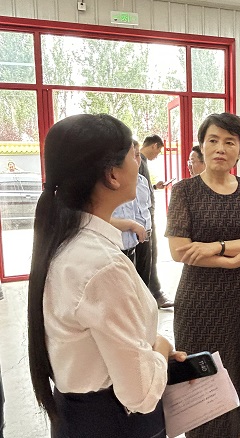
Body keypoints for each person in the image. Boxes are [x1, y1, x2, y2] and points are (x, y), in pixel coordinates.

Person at [27, 114, 186, 438]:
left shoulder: (65, 243)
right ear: (112, 175)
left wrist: (149, 355)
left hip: (77, 415)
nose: (139, 163)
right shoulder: (103, 267)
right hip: (114, 422)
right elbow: (140, 395)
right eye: (134, 155)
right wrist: (160, 347)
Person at [166, 113, 240, 438]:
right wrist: (230, 262)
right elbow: (180, 251)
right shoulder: (184, 191)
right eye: (213, 140)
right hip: (198, 301)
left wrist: (214, 247)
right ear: (202, 145)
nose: (220, 148)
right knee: (199, 375)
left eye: (229, 142)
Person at [139, 135, 173, 308]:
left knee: (151, 255)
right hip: (143, 218)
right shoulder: (139, 161)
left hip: (145, 216)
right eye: (158, 151)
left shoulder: (141, 163)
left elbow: (141, 188)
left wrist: (154, 187)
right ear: (154, 146)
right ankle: (154, 294)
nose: (157, 155)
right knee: (149, 256)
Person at [111, 140, 151, 266]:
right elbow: (98, 219)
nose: (137, 161)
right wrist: (131, 225)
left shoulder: (141, 181)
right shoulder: (109, 186)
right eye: (133, 156)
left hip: (136, 244)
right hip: (116, 250)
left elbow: (145, 208)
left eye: (138, 155)